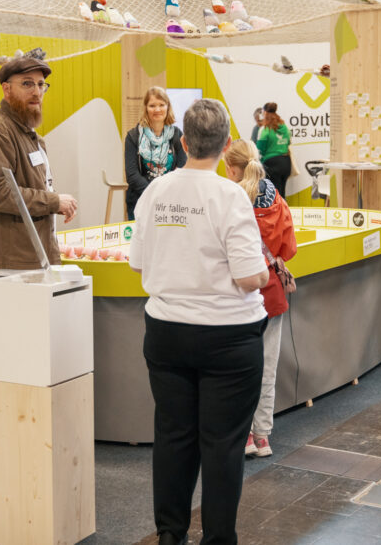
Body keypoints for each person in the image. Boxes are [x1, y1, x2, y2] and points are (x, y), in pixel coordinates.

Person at [129, 99, 268, 545]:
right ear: (227, 145)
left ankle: (170, 535)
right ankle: (218, 539)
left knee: (173, 437)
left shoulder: (155, 192)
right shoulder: (230, 196)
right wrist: (266, 270)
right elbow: (249, 278)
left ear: (183, 142)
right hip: (229, 337)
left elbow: (138, 264)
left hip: (167, 331)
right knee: (223, 443)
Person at [0, 54, 78, 465]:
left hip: (30, 257)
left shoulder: (30, 134)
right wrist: (54, 201)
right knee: (10, 356)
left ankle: (7, 438)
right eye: (27, 84)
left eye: (41, 85)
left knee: (23, 356)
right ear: (7, 89)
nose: (36, 92)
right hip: (10, 262)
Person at [224, 139, 297, 459]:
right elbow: (289, 249)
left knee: (238, 370)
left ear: (231, 169)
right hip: (271, 293)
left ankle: (243, 437)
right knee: (267, 368)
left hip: (239, 295)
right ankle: (263, 437)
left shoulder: (230, 199)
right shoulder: (276, 199)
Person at [124, 87, 187, 220]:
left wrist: (164, 194)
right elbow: (132, 175)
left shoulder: (177, 135)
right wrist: (155, 193)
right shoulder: (133, 136)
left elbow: (183, 168)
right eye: (152, 105)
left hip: (171, 202)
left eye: (161, 105)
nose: (157, 109)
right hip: (140, 201)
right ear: (146, 108)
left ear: (167, 107)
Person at [256, 101, 292, 198]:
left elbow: (259, 149)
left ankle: (277, 213)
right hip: (286, 163)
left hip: (272, 164)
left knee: (273, 195)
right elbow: (288, 142)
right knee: (282, 194)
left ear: (264, 113)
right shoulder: (284, 127)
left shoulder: (265, 129)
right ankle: (283, 212)